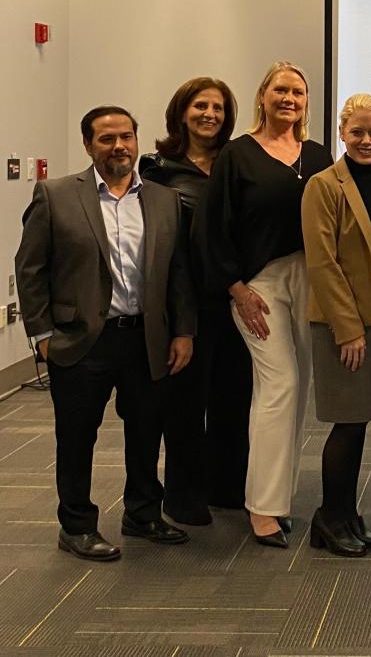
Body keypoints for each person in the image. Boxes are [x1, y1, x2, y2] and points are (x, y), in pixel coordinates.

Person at [15, 106, 196, 560]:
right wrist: (41, 335)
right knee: (77, 435)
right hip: (82, 339)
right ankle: (76, 525)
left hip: (146, 338)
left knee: (145, 431)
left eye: (127, 137)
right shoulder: (55, 195)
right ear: (88, 145)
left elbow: (178, 272)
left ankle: (142, 513)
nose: (119, 146)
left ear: (138, 141)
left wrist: (183, 331)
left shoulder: (162, 199)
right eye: (107, 138)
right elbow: (30, 268)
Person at [194, 61, 333, 548]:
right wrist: (237, 289)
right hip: (258, 285)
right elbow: (210, 228)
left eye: (297, 91)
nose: (288, 98)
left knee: (300, 392)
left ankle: (279, 498)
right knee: (281, 385)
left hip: (311, 280)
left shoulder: (317, 156)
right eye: (280, 90)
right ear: (262, 96)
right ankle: (262, 510)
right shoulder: (237, 155)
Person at [302, 93, 371, 557]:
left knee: (362, 416)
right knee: (346, 420)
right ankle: (328, 517)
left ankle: (347, 513)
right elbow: (322, 263)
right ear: (342, 134)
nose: (367, 140)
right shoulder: (323, 185)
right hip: (342, 316)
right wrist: (347, 328)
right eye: (358, 132)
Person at [140, 76, 252, 525]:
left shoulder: (237, 163)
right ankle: (182, 493)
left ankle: (227, 486)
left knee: (234, 395)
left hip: (235, 296)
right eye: (201, 106)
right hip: (184, 302)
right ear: (181, 112)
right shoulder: (157, 169)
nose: (210, 115)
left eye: (219, 108)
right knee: (186, 401)